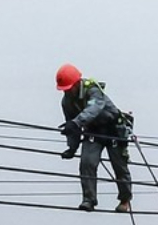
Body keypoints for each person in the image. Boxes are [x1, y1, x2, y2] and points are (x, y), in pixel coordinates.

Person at [56, 63, 133, 213]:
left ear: (77, 83)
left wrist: (76, 122)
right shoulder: (67, 102)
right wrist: (72, 147)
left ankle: (125, 200)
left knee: (119, 166)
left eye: (69, 88)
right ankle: (89, 199)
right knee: (87, 162)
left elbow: (93, 109)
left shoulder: (93, 91)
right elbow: (72, 126)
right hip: (93, 131)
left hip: (113, 129)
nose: (68, 92)